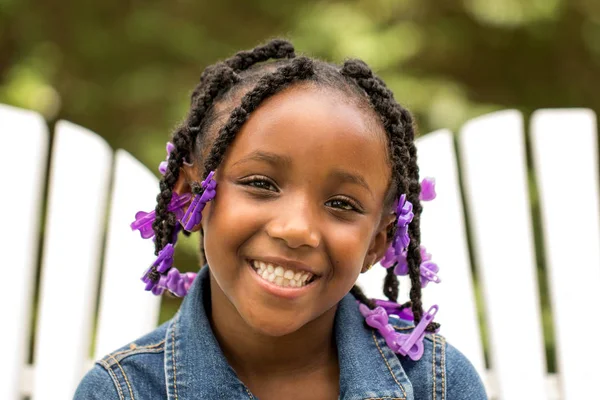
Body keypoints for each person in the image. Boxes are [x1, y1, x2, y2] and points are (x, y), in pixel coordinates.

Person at [74, 39, 487, 399]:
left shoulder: (440, 386)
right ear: (189, 198)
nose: (296, 230)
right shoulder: (122, 391)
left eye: (342, 204)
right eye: (261, 183)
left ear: (378, 243)